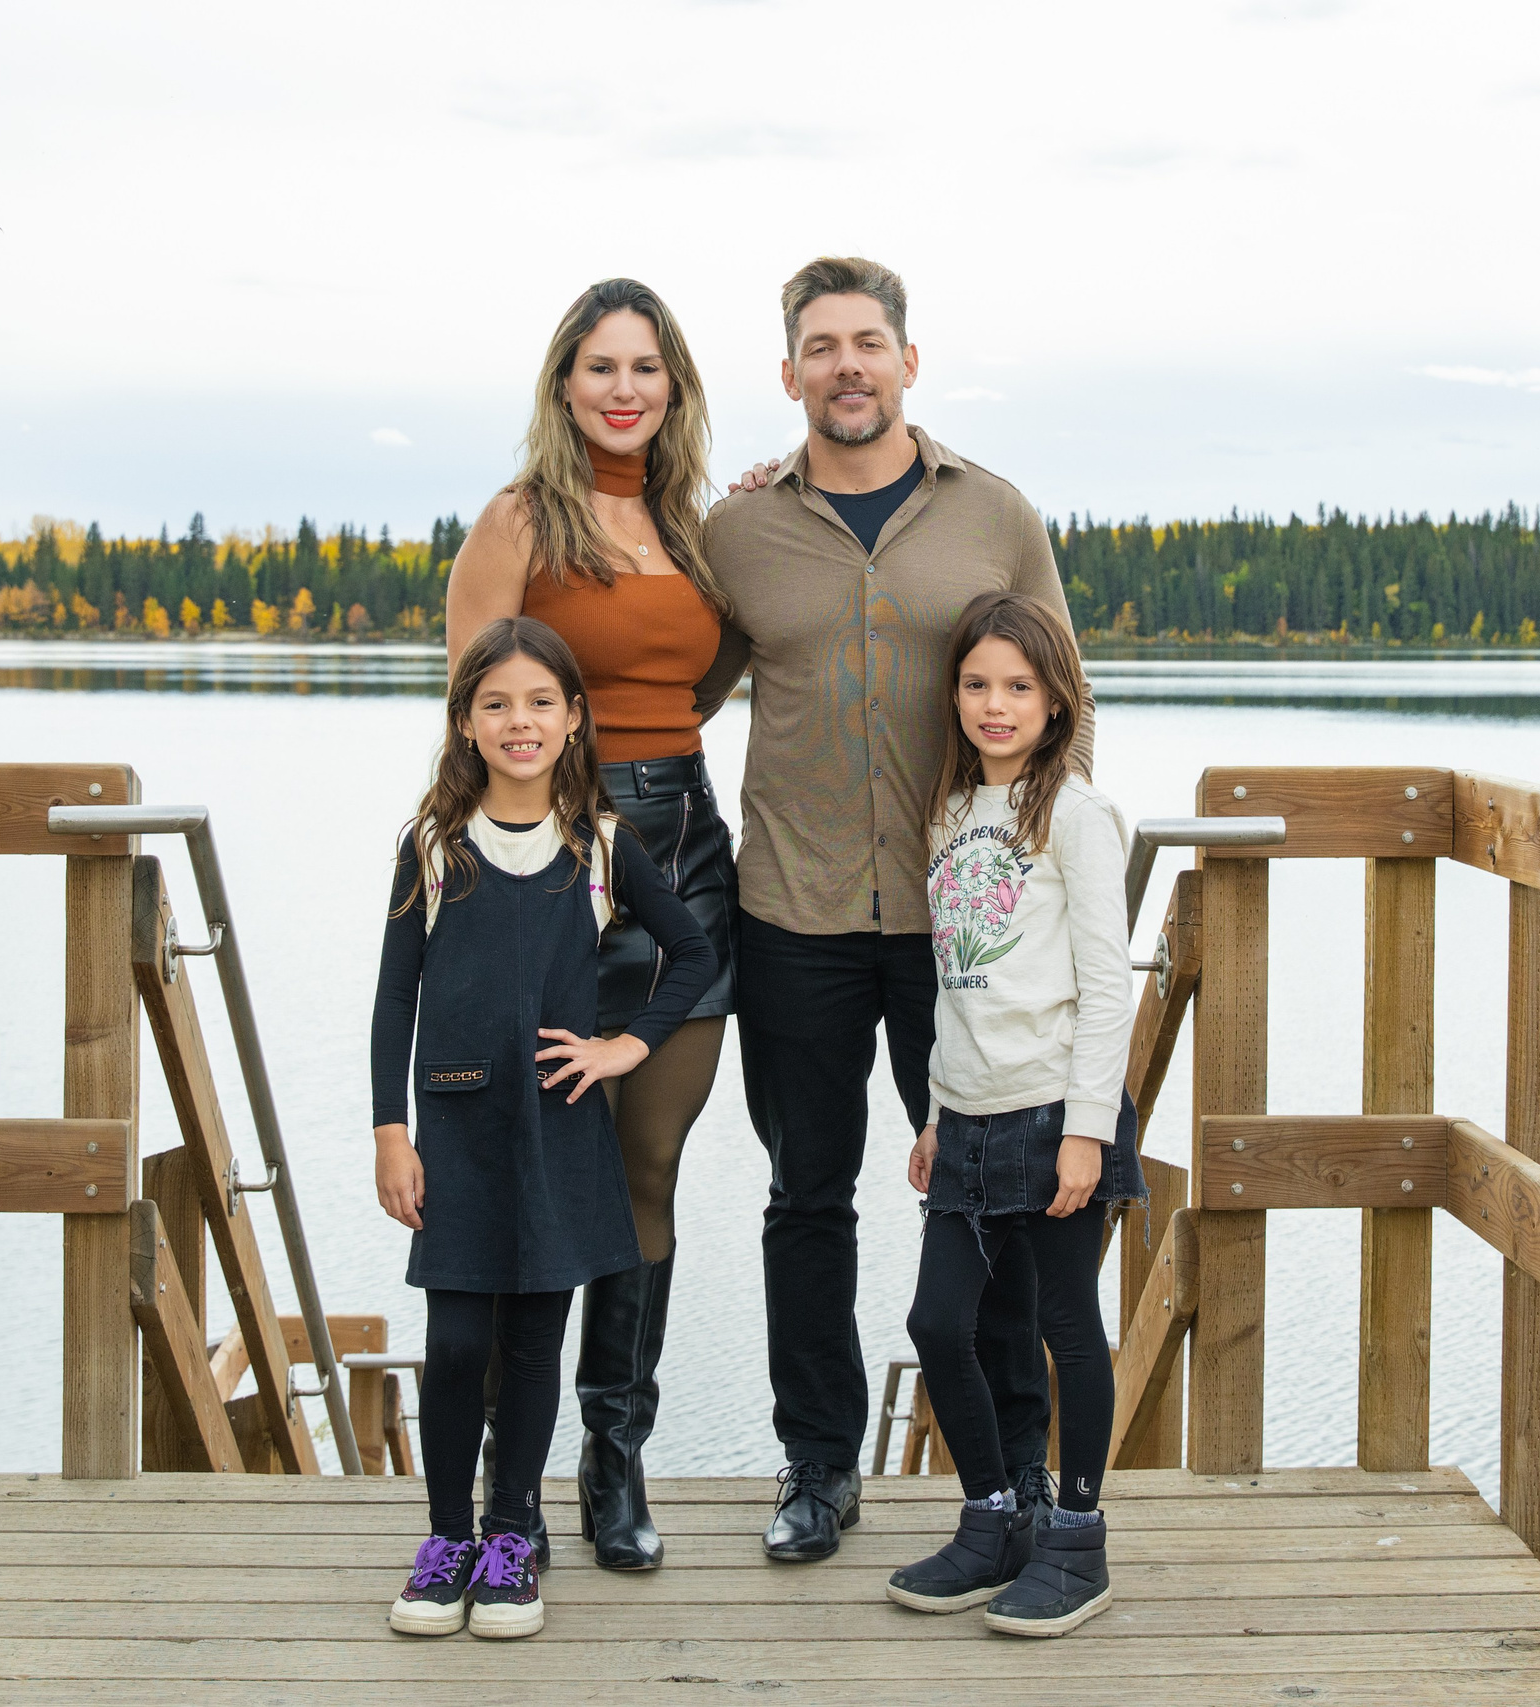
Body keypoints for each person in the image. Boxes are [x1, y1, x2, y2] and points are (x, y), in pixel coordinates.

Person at [693, 256, 1098, 1562]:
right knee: (806, 1194)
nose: (848, 365)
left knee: (992, 1204)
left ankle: (1019, 1478)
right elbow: (667, 698)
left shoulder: (997, 515)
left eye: (869, 342)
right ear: (791, 373)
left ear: (909, 362)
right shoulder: (739, 530)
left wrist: (1051, 887)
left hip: (961, 933)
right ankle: (819, 1464)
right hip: (793, 911)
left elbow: (1059, 711)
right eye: (822, 346)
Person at [446, 279, 736, 1569]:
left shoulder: (692, 522)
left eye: (647, 369)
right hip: (554, 856)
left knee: (648, 1172)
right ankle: (514, 1487)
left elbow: (704, 672)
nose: (624, 390)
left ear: (673, 388)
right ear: (563, 383)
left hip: (683, 848)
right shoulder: (519, 522)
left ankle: (614, 1467)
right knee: (535, 1169)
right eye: (599, 366)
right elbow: (468, 708)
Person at [372, 618, 717, 1638]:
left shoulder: (602, 845)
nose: (518, 722)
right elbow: (396, 1000)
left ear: (573, 719)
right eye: (496, 705)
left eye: (539, 703)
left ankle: (513, 1534)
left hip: (559, 1130)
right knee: (456, 1342)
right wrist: (392, 1130)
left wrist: (624, 1046)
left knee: (532, 1344)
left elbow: (692, 956)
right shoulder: (433, 848)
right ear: (467, 724)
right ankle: (447, 1541)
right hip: (458, 1129)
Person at [884, 591, 1142, 1637]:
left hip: (1052, 1115)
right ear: (954, 696)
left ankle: (1076, 1538)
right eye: (978, 684)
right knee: (937, 1321)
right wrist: (940, 1112)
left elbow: (1104, 984)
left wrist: (1087, 1128)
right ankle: (993, 1518)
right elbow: (958, 980)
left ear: (1055, 700)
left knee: (1062, 1323)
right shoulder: (950, 811)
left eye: (1019, 688)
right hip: (970, 1114)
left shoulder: (1073, 814)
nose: (996, 706)